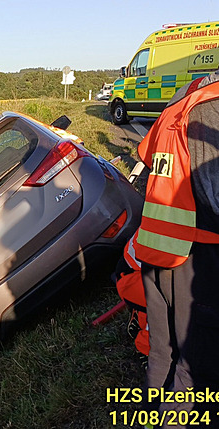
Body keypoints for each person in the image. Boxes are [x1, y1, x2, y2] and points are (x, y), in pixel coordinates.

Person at [135, 71, 219, 428]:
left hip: (156, 248)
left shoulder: (185, 98)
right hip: (196, 258)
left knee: (162, 350)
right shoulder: (212, 109)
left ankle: (148, 413)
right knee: (196, 367)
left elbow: (146, 153)